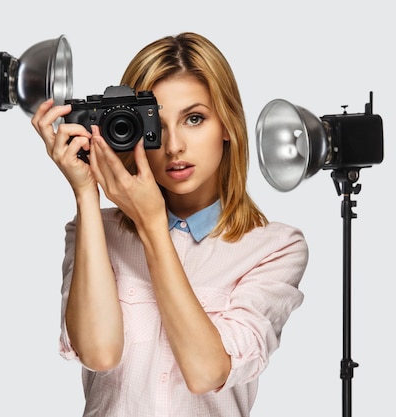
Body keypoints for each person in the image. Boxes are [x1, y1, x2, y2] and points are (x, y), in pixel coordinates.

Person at [31, 32, 308, 417]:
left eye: (194, 119)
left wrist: (152, 227)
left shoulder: (274, 247)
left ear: (227, 124)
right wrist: (85, 194)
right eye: (155, 125)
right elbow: (98, 353)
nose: (174, 145)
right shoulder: (95, 230)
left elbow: (208, 371)